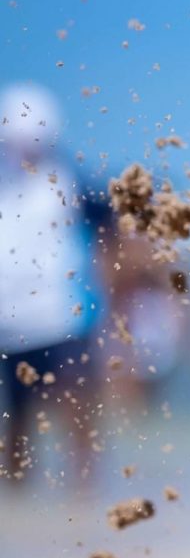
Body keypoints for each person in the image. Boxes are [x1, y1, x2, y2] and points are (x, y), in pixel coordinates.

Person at [1, 82, 113, 492]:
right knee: (17, 421)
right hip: (10, 324)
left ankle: (84, 500)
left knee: (78, 413)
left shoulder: (69, 180)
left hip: (65, 316)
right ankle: (17, 510)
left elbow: (112, 228)